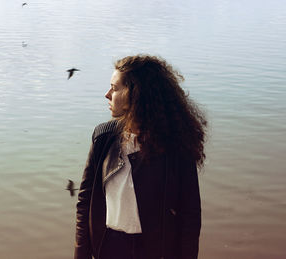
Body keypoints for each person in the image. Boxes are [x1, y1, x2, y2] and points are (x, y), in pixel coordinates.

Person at [74, 54, 207, 259]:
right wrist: (80, 254)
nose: (107, 94)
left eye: (115, 88)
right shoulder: (103, 138)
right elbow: (85, 201)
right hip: (108, 246)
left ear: (135, 95)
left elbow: (189, 214)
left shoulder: (175, 146)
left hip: (155, 250)